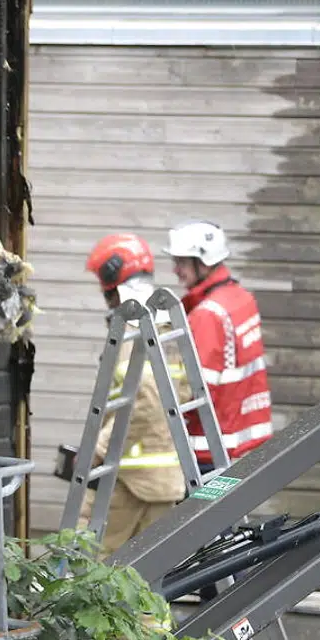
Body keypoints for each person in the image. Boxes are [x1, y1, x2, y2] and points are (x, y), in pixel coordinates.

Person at [80, 233, 190, 553]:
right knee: (147, 577)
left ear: (113, 277)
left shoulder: (134, 326)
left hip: (127, 478)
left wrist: (97, 449)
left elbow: (146, 399)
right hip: (164, 477)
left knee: (88, 560)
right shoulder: (169, 321)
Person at [165, 221, 273, 470]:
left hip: (208, 450)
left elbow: (196, 389)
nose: (176, 270)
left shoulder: (207, 315)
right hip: (242, 441)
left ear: (203, 262)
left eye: (181, 262)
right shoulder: (241, 299)